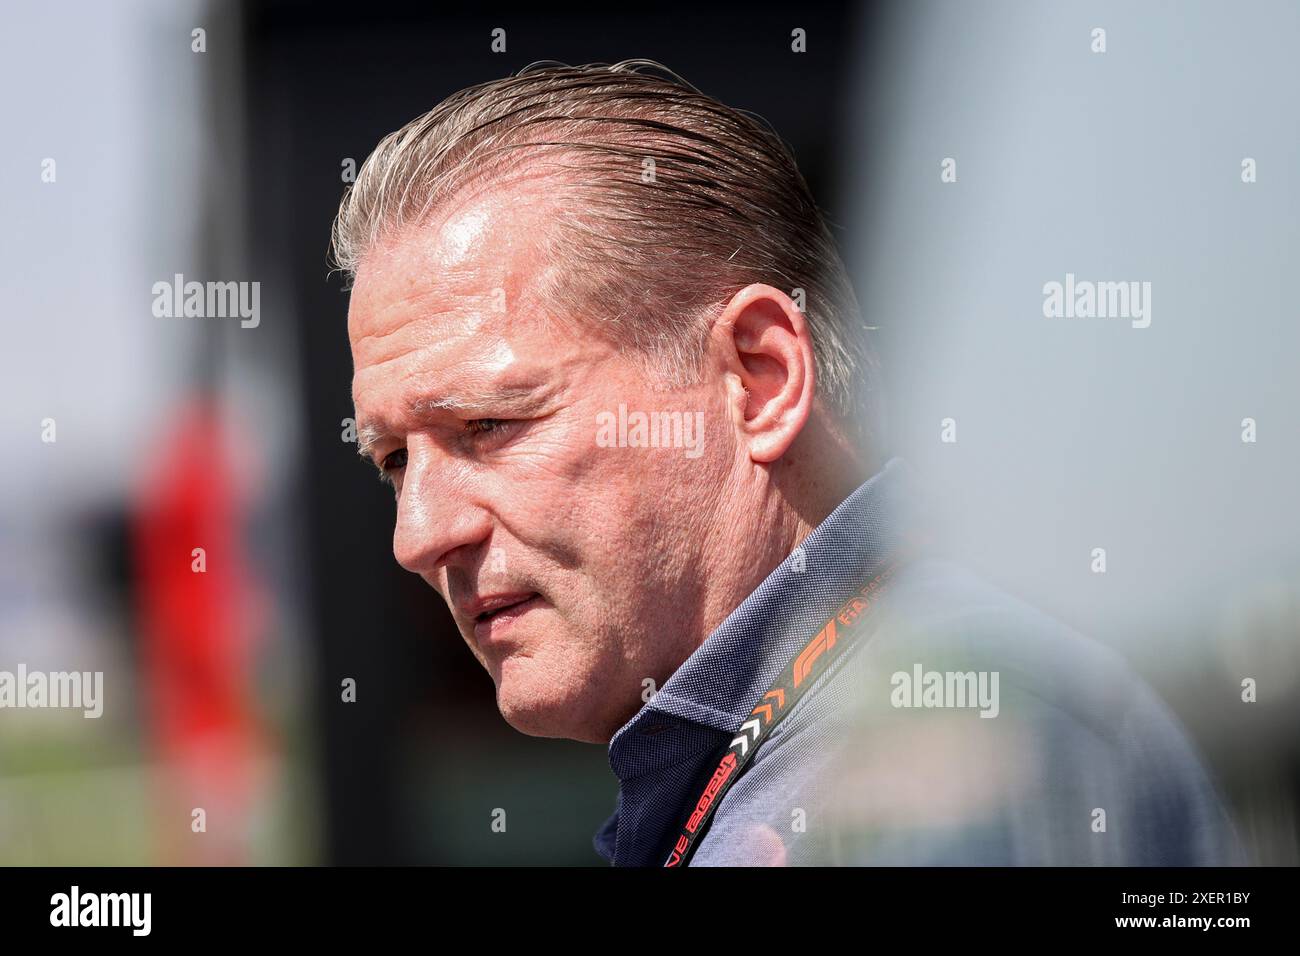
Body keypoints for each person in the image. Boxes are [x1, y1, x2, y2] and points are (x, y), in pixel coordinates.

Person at [331, 60, 1243, 866]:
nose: (419, 536)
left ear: (760, 380)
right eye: (396, 461)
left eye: (489, 424)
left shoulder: (950, 759)